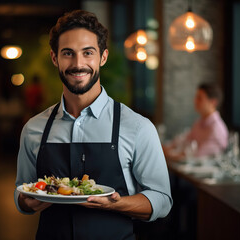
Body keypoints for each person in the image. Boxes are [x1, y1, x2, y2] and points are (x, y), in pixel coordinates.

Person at [14, 10, 172, 239]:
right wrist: (27, 202)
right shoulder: (33, 129)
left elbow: (162, 200)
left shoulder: (137, 127)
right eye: (68, 53)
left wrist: (116, 204)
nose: (78, 64)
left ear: (103, 57)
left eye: (88, 53)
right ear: (55, 58)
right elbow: (21, 192)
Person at [163, 82, 229, 161]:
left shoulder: (217, 128)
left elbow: (196, 155)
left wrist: (168, 153)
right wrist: (169, 147)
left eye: (199, 98)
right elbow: (186, 140)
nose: (195, 101)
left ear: (213, 102)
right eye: (196, 97)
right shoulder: (199, 122)